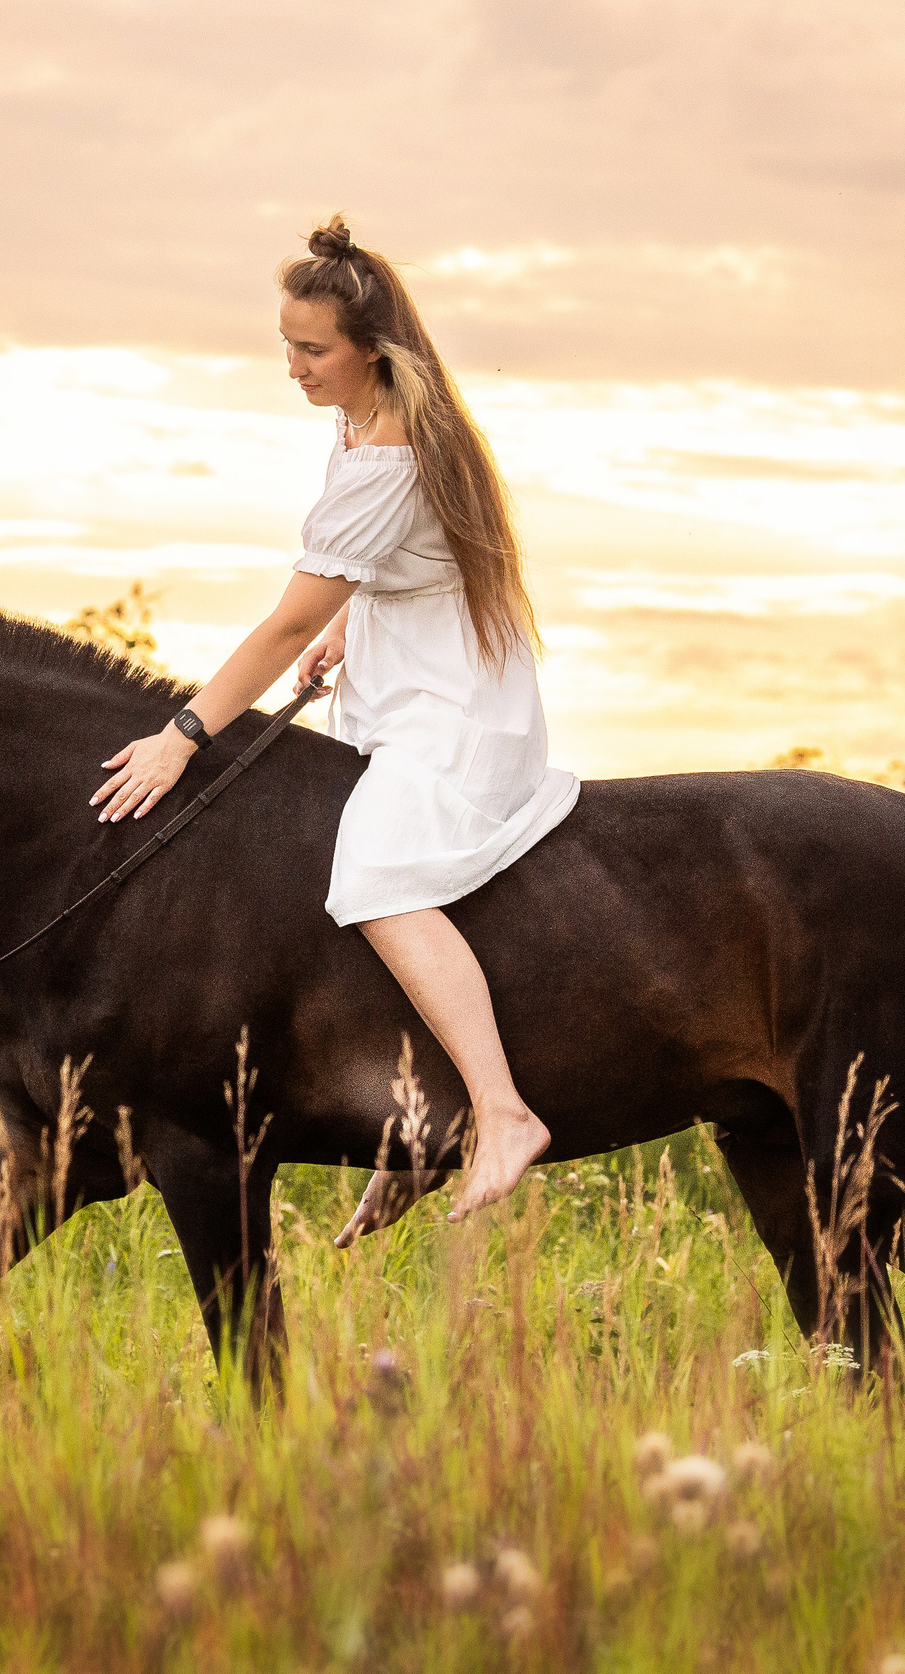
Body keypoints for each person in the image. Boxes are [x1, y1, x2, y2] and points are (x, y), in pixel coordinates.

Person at [91, 215, 580, 1238]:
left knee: (374, 877)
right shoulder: (367, 421)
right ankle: (419, 1125)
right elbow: (398, 562)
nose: (294, 367)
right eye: (286, 345)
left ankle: (500, 1110)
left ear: (371, 348)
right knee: (321, 882)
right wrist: (359, 616)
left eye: (312, 349)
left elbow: (285, 620)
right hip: (401, 683)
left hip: (452, 709)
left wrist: (183, 731)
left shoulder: (389, 448)